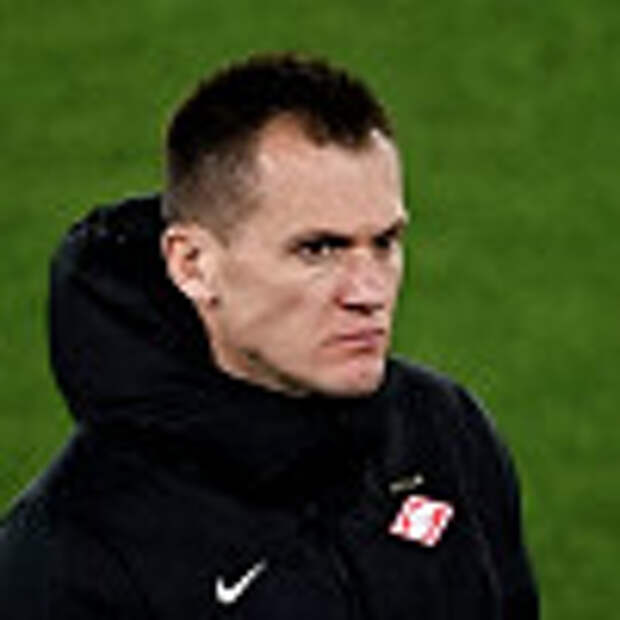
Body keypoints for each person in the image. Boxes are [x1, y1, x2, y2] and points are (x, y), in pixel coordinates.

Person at [0, 53, 539, 619]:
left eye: (384, 243)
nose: (369, 291)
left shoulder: (445, 429)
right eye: (318, 249)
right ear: (192, 265)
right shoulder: (68, 554)